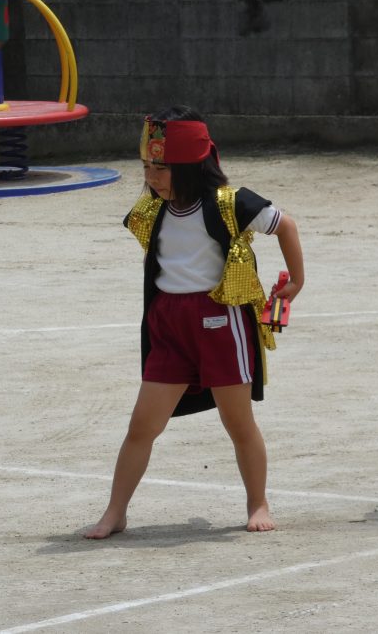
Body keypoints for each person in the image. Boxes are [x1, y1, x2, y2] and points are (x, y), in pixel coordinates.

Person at [85, 106, 304, 539]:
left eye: (161, 168)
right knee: (141, 426)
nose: (151, 177)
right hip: (169, 324)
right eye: (146, 167)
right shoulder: (151, 209)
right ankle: (115, 512)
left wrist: (296, 281)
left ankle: (257, 502)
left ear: (191, 166)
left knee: (238, 424)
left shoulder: (230, 202)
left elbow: (286, 226)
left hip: (220, 320)